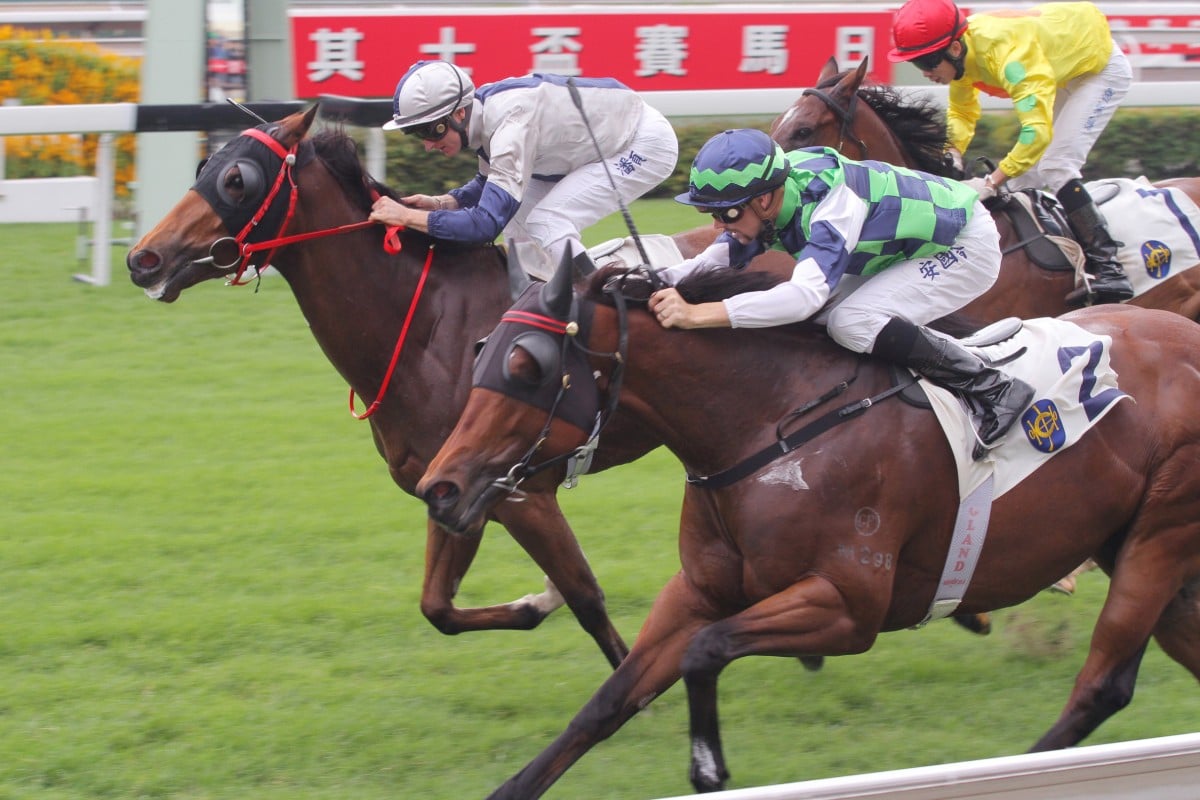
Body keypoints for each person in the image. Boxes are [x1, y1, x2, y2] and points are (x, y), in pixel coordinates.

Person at [649, 128, 1035, 459]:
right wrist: (660, 278)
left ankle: (996, 388)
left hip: (961, 244)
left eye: (726, 213)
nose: (718, 225)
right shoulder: (775, 194)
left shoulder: (832, 201)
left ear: (763, 200)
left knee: (851, 321)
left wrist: (699, 314)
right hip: (905, 247)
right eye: (711, 214)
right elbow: (723, 253)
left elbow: (804, 297)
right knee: (825, 324)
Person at [887, 0, 1134, 305]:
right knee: (1022, 178)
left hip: (1099, 69)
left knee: (1056, 165)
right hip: (1060, 67)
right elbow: (962, 112)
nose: (924, 72)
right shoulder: (965, 54)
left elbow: (1036, 133)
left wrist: (991, 182)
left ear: (953, 49)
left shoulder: (1009, 55)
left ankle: (1109, 267)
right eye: (916, 63)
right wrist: (952, 154)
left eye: (926, 62)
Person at [369, 60, 679, 279]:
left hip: (641, 143)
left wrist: (408, 217)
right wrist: (444, 202)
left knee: (548, 219)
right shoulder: (484, 116)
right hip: (597, 143)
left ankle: (603, 302)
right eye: (417, 134)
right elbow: (491, 180)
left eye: (429, 131)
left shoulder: (510, 124)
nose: (427, 145)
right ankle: (543, 308)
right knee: (519, 228)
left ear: (459, 113)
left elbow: (485, 224)